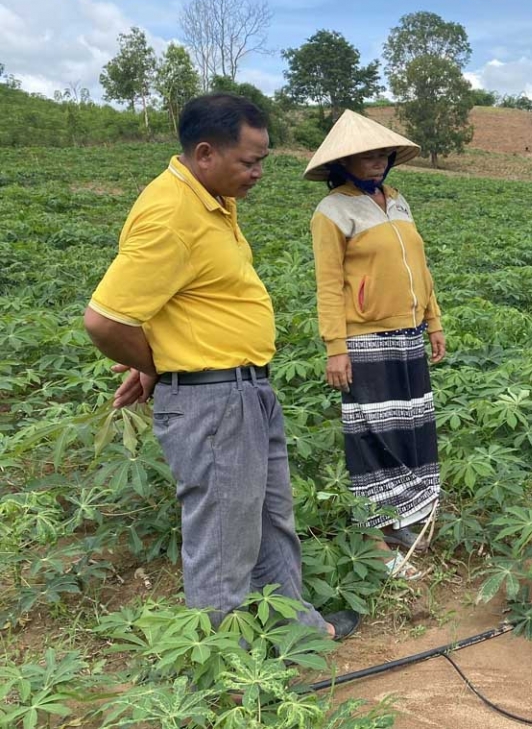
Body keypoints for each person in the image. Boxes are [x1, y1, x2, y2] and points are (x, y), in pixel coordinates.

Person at [83, 94, 359, 640]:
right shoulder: (171, 214)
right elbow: (105, 321)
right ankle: (227, 670)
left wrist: (162, 356)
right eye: (249, 161)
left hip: (244, 390)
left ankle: (294, 634)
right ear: (205, 152)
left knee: (269, 521)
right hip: (212, 401)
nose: (258, 173)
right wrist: (159, 364)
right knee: (223, 539)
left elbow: (180, 302)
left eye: (262, 160)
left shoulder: (211, 199)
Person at [305, 110, 445, 581]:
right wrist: (335, 347)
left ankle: (401, 521)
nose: (376, 160)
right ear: (342, 163)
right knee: (370, 436)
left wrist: (434, 320)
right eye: (364, 154)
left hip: (409, 337)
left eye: (381, 152)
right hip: (364, 341)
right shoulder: (333, 212)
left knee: (409, 430)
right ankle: (374, 539)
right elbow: (327, 284)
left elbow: (421, 268)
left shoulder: (399, 201)